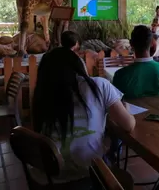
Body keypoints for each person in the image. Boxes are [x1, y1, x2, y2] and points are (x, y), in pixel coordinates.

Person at [32, 47, 135, 183]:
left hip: (49, 178)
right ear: (78, 64)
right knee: (115, 149)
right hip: (89, 175)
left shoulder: (41, 95)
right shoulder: (99, 85)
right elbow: (129, 125)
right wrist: (125, 108)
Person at [113, 25, 159, 99]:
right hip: (158, 110)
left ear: (131, 43)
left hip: (130, 110)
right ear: (151, 43)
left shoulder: (120, 75)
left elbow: (117, 102)